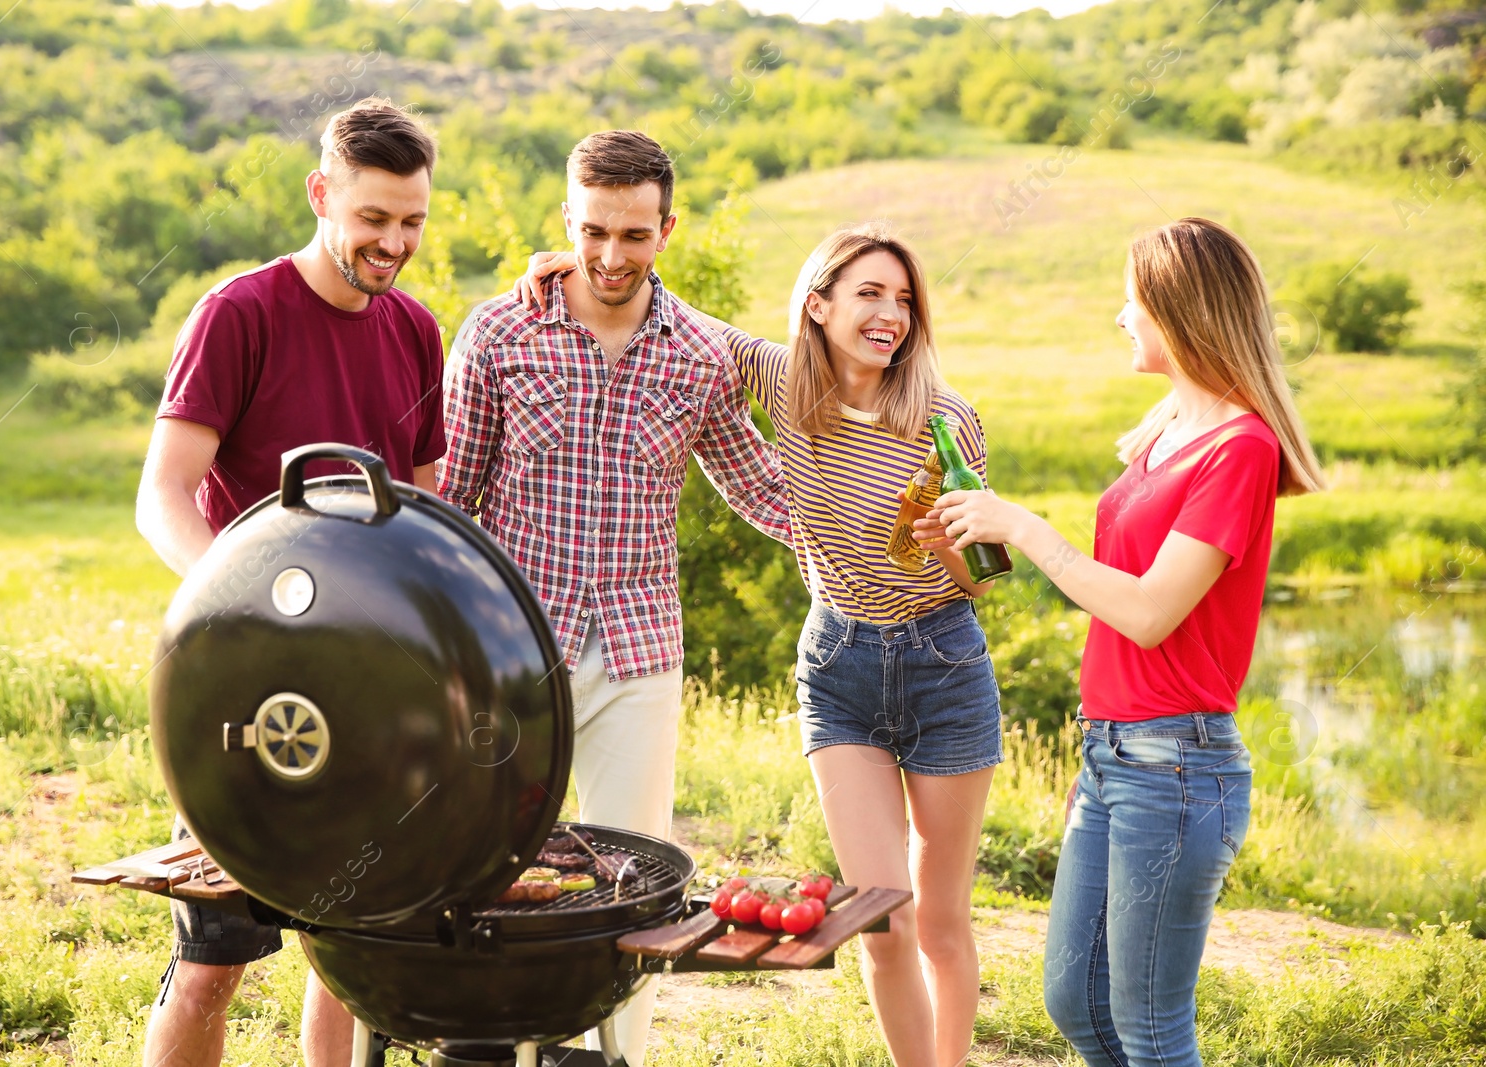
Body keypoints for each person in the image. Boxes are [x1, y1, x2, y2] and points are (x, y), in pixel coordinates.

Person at [516, 222, 1003, 1067]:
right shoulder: (781, 382)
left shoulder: (946, 422)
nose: (891, 313)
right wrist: (586, 267)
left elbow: (982, 580)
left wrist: (948, 547)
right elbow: (676, 315)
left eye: (903, 298)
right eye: (869, 294)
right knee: (880, 915)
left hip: (943, 662)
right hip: (840, 666)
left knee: (939, 918)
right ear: (817, 306)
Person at [916, 217, 1326, 1067]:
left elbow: (1146, 613)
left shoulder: (1241, 450)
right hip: (1112, 755)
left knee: (1150, 1027)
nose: (1120, 316)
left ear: (1178, 313)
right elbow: (1197, 401)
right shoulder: (1181, 426)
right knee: (1075, 1003)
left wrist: (1023, 527)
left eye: (1132, 300)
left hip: (1178, 766)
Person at [436, 130, 791, 1067]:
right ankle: (492, 1042)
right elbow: (454, 501)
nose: (610, 255)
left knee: (637, 872)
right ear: (566, 221)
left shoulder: (702, 355)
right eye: (593, 230)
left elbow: (759, 485)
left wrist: (864, 546)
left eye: (634, 234)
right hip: (512, 654)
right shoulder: (497, 333)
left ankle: (609, 1055)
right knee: (497, 863)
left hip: (639, 651)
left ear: (667, 229)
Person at [135, 97, 447, 1067]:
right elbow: (162, 495)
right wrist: (244, 604)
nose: (393, 242)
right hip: (247, 688)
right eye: (373, 218)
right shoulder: (242, 312)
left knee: (349, 953)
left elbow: (423, 519)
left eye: (412, 221)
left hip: (371, 688)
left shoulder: (417, 333)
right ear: (321, 193)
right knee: (211, 957)